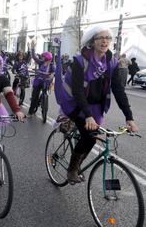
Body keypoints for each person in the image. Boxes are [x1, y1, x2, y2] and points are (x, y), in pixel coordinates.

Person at [54, 25, 138, 184]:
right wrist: (88, 116)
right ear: (92, 42)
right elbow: (78, 91)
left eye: (108, 38)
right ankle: (72, 169)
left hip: (96, 106)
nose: (105, 41)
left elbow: (118, 90)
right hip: (76, 105)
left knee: (92, 137)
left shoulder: (111, 62)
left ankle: (78, 163)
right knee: (88, 136)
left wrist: (129, 117)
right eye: (101, 38)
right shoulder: (80, 61)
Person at [27, 40, 55, 116]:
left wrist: (52, 74)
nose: (41, 57)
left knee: (45, 93)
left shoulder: (52, 65)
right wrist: (32, 48)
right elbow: (34, 57)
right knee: (34, 96)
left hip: (46, 82)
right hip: (38, 82)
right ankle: (30, 111)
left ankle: (43, 103)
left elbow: (54, 72)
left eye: (43, 56)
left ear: (47, 58)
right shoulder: (41, 62)